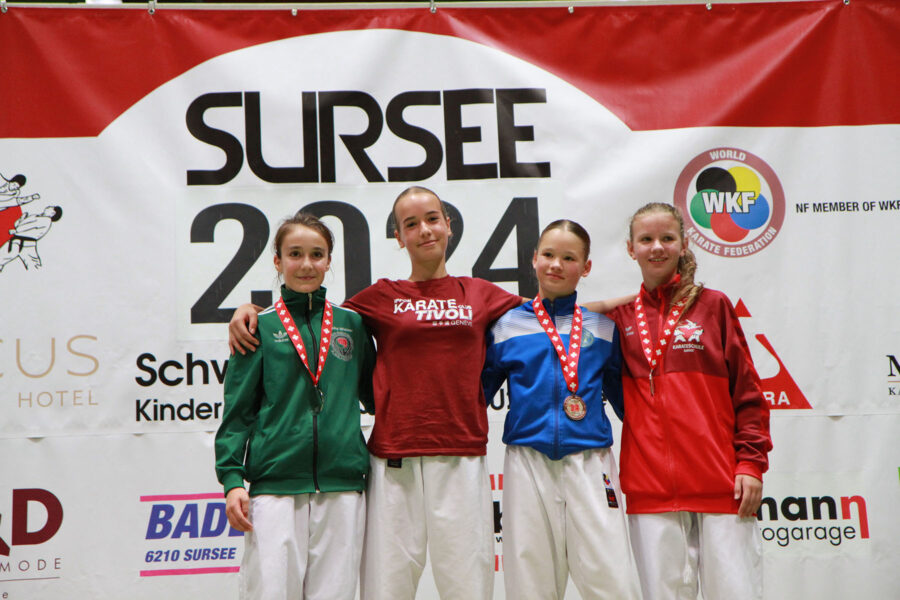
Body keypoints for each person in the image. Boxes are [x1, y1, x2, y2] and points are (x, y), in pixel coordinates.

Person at [229, 187, 628, 600]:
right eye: (411, 224)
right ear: (399, 236)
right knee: (387, 589)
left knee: (468, 587)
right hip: (394, 458)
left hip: (460, 456)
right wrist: (250, 311)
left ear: (448, 226)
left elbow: (551, 311)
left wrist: (637, 302)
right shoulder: (380, 297)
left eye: (433, 219)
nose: (424, 230)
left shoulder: (481, 293)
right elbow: (313, 317)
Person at [606, 202, 772, 600]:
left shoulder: (714, 307)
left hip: (721, 484)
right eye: (646, 239)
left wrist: (750, 463)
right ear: (631, 249)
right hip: (650, 491)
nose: (656, 247)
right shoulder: (619, 319)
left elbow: (747, 393)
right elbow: (565, 315)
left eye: (667, 238)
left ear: (684, 244)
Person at [215, 212, 375, 600]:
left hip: (342, 485)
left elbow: (377, 396)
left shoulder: (353, 325)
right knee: (271, 592)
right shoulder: (258, 327)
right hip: (275, 485)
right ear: (277, 261)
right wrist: (233, 481)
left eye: (317, 254)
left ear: (329, 261)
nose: (306, 264)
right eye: (295, 254)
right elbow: (237, 415)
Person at [482, 219, 642, 600]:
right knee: (530, 584)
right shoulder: (506, 327)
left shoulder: (603, 329)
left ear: (586, 267)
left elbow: (631, 407)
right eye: (549, 255)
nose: (556, 264)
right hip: (527, 462)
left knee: (612, 581)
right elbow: (476, 396)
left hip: (591, 462)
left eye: (569, 258)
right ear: (534, 258)